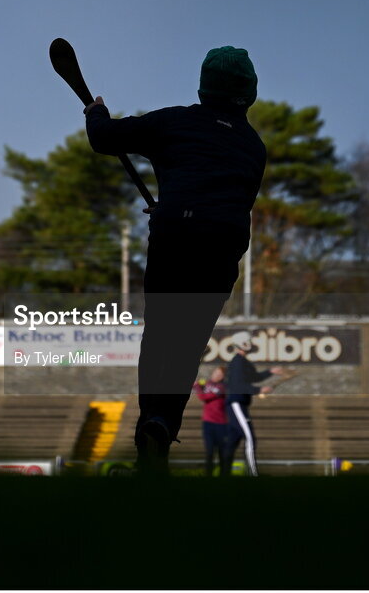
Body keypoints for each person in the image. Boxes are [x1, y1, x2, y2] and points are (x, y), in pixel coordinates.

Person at [85, 46, 266, 472]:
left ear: (203, 88)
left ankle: (151, 428)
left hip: (175, 236)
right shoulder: (254, 147)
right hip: (221, 247)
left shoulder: (174, 122)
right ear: (250, 94)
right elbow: (219, 190)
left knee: (160, 337)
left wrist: (96, 112)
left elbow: (104, 138)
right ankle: (164, 426)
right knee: (187, 344)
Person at [224, 331, 283, 477]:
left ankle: (224, 474)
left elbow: (254, 377)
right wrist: (259, 390)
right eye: (248, 341)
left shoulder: (243, 362)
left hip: (241, 404)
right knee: (250, 438)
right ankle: (253, 473)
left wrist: (270, 371)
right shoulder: (237, 362)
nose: (250, 343)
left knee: (232, 441)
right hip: (236, 403)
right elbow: (238, 385)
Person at [193, 365, 229, 476]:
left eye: (219, 374)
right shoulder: (207, 383)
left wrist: (197, 387)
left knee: (222, 452)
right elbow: (201, 386)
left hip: (221, 424)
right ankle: (208, 475)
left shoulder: (222, 387)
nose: (216, 375)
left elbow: (204, 397)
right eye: (215, 373)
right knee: (209, 452)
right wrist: (199, 384)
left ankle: (224, 476)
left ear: (223, 377)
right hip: (208, 423)